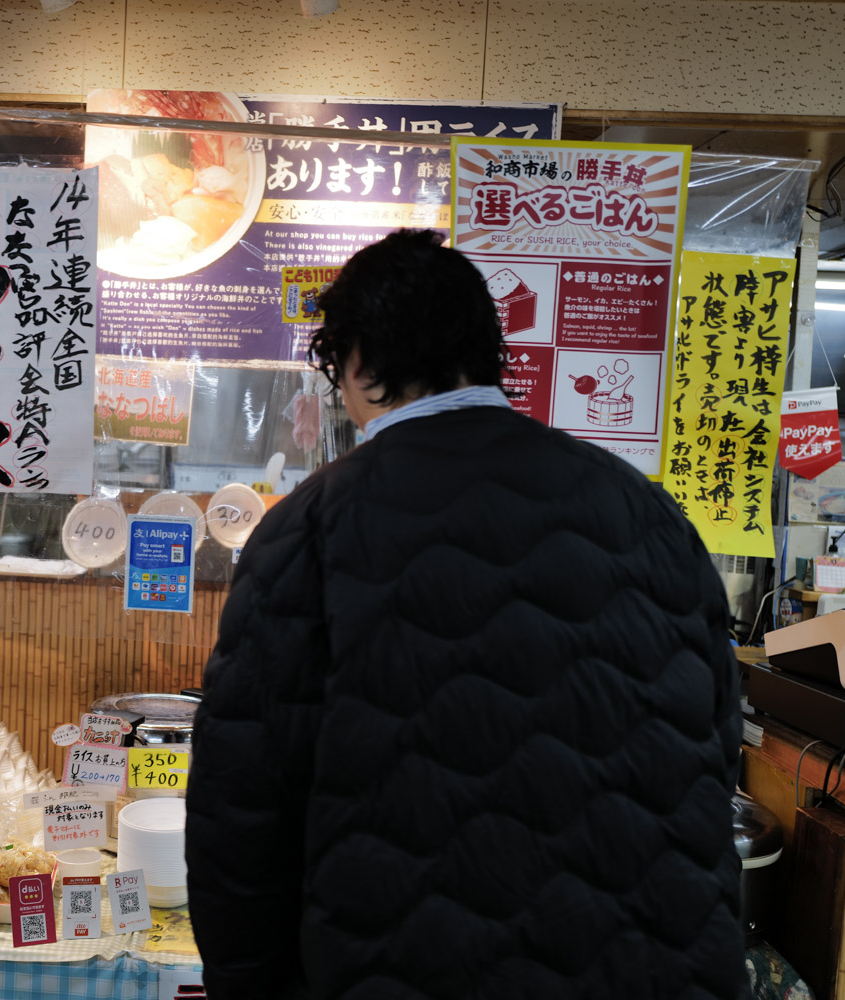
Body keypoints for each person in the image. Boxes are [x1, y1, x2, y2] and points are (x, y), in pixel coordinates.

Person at [185, 229, 742, 1000]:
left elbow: (242, 808)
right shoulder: (646, 510)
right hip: (655, 963)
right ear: (485, 351)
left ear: (358, 363)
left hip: (408, 967)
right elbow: (711, 744)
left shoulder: (308, 529)